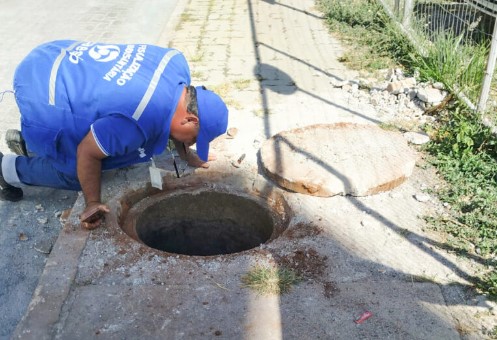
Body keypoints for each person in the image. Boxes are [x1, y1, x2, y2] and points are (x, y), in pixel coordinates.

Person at [0, 40, 229, 229]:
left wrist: (186, 153)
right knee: (75, 171)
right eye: (194, 139)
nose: (190, 143)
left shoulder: (177, 65)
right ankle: (7, 168)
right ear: (190, 119)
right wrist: (92, 202)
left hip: (55, 56)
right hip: (41, 89)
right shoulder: (140, 119)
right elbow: (87, 152)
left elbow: (175, 115)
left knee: (109, 140)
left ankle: (34, 145)